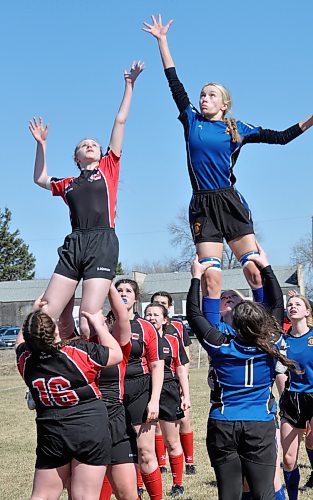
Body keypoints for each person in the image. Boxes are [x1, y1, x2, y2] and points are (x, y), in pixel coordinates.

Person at [143, 14, 313, 320]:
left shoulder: (238, 128)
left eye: (211, 95)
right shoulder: (191, 120)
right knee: (211, 278)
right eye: (202, 95)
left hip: (228, 200)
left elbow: (283, 137)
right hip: (202, 204)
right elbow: (173, 81)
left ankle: (267, 326)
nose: (204, 99)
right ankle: (214, 337)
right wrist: (162, 40)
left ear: (224, 104)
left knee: (254, 269)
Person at [29, 61, 144, 339]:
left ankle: (104, 365)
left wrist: (129, 85)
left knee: (88, 317)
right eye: (83, 145)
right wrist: (41, 144)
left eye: (94, 143)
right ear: (76, 157)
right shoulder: (68, 184)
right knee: (47, 314)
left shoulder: (108, 168)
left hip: (103, 241)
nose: (90, 145)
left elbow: (119, 121)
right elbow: (40, 178)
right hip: (75, 242)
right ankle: (61, 364)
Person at [186, 253, 299, 500]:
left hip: (224, 423)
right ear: (265, 322)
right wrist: (267, 267)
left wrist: (195, 278)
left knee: (229, 495)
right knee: (264, 493)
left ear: (234, 323)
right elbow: (277, 303)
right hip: (259, 423)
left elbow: (194, 316)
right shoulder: (272, 341)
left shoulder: (220, 344)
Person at [15, 308, 122, 500]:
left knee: (43, 495)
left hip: (51, 431)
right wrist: (100, 325)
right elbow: (116, 355)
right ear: (55, 331)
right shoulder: (76, 352)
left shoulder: (25, 359)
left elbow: (20, 343)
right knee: (85, 496)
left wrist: (33, 311)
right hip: (88, 428)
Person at [114, 279, 165, 500]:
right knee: (110, 455)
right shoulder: (103, 323)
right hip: (110, 394)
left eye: (128, 291)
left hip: (140, 392)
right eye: (119, 290)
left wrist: (154, 401)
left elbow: (157, 366)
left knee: (145, 452)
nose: (123, 294)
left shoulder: (146, 327)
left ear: (136, 298)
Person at [145, 302, 190, 498]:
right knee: (143, 444)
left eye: (156, 314)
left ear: (165, 319)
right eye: (148, 314)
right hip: (144, 389)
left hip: (168, 390)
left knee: (172, 440)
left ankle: (177, 484)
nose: (152, 317)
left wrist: (185, 395)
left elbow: (180, 368)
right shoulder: (140, 339)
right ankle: (140, 484)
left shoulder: (172, 339)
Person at [97, 284, 138, 500]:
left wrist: (106, 282)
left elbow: (122, 318)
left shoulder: (119, 346)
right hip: (86, 422)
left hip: (115, 418)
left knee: (127, 492)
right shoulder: (78, 345)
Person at [151, 291, 196, 475]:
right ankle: (161, 464)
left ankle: (189, 461)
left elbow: (183, 359)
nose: (159, 306)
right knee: (157, 428)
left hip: (174, 381)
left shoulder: (176, 328)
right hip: (154, 384)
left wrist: (182, 383)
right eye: (155, 304)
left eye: (162, 303)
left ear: (168, 308)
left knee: (184, 420)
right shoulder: (147, 330)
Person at [279, 294, 313, 500]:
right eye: (290, 305)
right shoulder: (283, 341)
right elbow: (279, 371)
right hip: (293, 399)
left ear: (307, 312)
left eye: (298, 304)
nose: (292, 307)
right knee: (289, 459)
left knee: (311, 442)